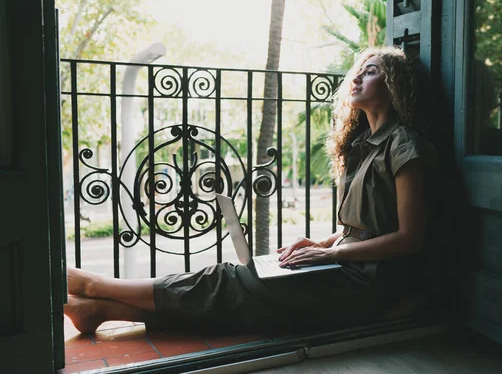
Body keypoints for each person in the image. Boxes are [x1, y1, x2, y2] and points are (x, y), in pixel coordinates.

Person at [64, 46, 440, 335]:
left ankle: (99, 287)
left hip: (372, 284)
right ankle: (103, 311)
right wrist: (321, 245)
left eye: (371, 72)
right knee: (245, 295)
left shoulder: (404, 144)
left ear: (393, 85)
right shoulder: (360, 146)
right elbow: (359, 227)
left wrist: (333, 255)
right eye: (357, 72)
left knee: (230, 281)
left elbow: (409, 239)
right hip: (346, 269)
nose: (356, 79)